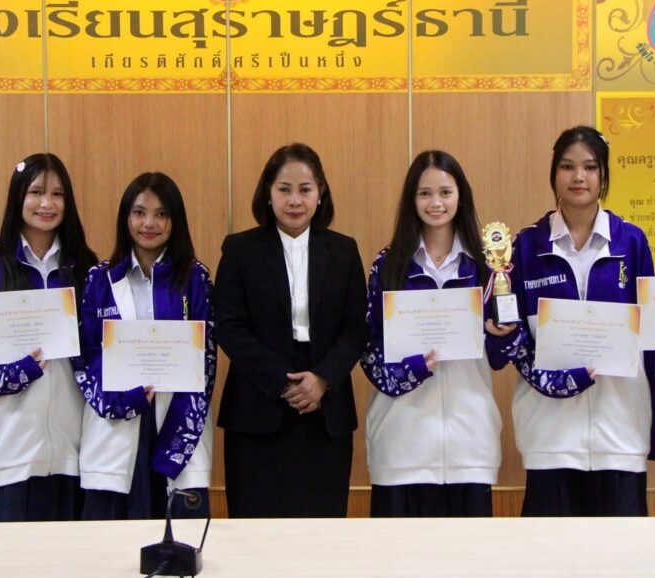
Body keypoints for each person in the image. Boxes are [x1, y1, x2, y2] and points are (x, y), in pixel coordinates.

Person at [488, 126, 655, 516]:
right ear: (554, 174)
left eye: (590, 167)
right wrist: (499, 336)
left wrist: (653, 434)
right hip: (549, 436)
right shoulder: (525, 246)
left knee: (620, 552)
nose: (578, 177)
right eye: (567, 166)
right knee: (550, 552)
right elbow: (503, 348)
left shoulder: (631, 242)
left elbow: (650, 344)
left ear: (603, 175)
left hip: (620, 433)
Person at [214, 142, 368, 518]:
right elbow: (229, 327)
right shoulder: (240, 249)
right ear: (268, 193)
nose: (295, 200)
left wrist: (322, 379)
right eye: (284, 189)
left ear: (320, 193)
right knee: (254, 528)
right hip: (257, 407)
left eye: (305, 189)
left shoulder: (344, 251)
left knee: (321, 528)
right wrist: (283, 382)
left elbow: (356, 328)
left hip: (325, 408)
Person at [0, 153, 97, 522]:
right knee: (12, 554)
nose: (47, 204)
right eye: (36, 192)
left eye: (57, 194)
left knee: (71, 554)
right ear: (18, 196)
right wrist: (12, 374)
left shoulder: (85, 266)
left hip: (75, 444)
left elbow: (100, 345)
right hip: (7, 445)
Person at [360, 150, 505, 517]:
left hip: (470, 443)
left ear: (461, 197)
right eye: (424, 193)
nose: (435, 203)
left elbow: (503, 357)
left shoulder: (488, 266)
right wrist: (414, 369)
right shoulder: (389, 264)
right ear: (411, 200)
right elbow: (370, 352)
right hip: (401, 442)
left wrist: (501, 336)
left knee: (467, 552)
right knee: (397, 552)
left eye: (445, 192)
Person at [75, 172, 216, 520]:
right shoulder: (100, 278)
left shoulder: (195, 278)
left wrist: (180, 439)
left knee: (179, 539)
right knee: (112, 543)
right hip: (115, 425)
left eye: (161, 214)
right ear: (126, 218)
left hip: (177, 423)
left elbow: (206, 362)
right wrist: (121, 402)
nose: (149, 223)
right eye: (139, 212)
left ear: (175, 220)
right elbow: (86, 355)